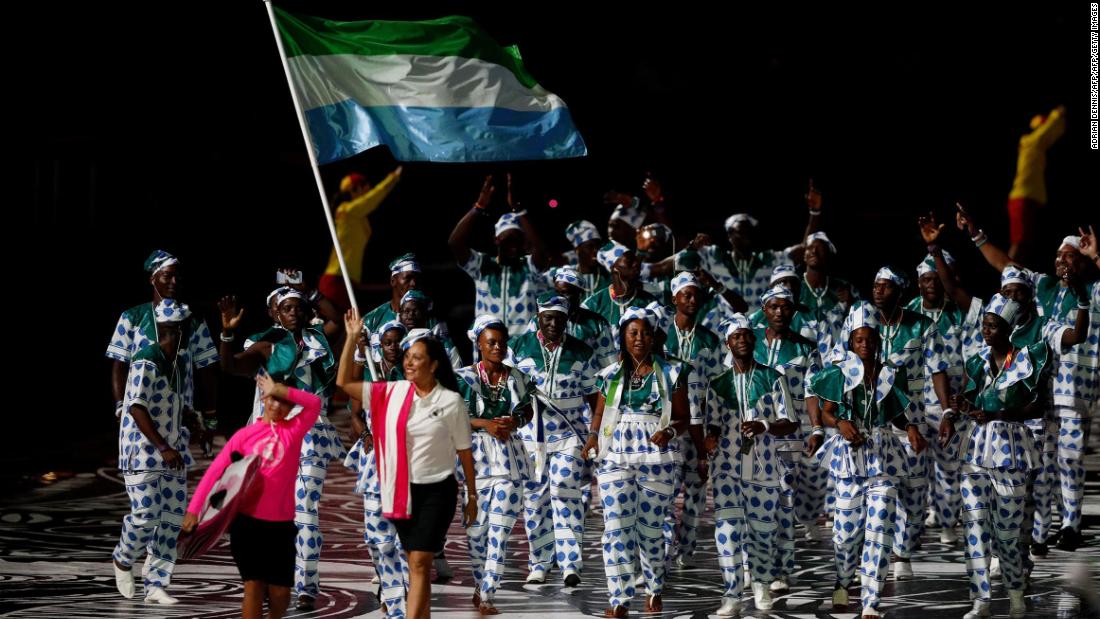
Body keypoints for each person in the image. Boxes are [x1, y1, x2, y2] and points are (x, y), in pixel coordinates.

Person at [336, 312, 478, 619]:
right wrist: (350, 339)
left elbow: (465, 451)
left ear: (434, 364)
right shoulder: (392, 392)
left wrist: (473, 496)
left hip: (438, 491)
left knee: (419, 562)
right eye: (407, 357)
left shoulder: (451, 401)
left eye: (417, 358)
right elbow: (344, 382)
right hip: (402, 489)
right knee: (414, 562)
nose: (409, 362)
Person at [218, 288, 344, 609]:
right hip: (268, 438)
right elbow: (231, 366)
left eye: (298, 307)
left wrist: (311, 292)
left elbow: (335, 319)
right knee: (262, 514)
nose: (293, 312)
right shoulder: (265, 345)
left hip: (309, 432)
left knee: (306, 512)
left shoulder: (317, 340)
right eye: (285, 308)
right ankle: (258, 583)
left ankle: (306, 586)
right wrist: (228, 333)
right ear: (274, 313)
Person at [809, 303, 926, 619]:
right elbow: (826, 412)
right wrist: (839, 423)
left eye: (870, 339)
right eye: (859, 340)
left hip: (883, 457)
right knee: (846, 535)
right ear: (850, 341)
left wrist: (912, 428)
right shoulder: (838, 373)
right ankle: (843, 580)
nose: (865, 345)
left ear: (878, 341)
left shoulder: (889, 373)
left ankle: (871, 600)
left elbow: (898, 412)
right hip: (849, 458)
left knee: (879, 530)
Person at [583, 306, 701, 616]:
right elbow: (599, 412)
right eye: (633, 332)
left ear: (654, 337)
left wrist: (671, 431)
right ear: (622, 336)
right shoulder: (609, 375)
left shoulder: (673, 372)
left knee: (650, 528)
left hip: (656, 453)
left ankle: (653, 588)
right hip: (615, 451)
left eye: (645, 332)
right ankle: (619, 598)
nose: (639, 338)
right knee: (616, 527)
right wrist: (593, 435)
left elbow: (683, 418)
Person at [182, 372, 321, 619]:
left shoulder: (295, 430)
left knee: (280, 595)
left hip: (281, 527)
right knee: (253, 587)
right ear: (263, 398)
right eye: (272, 398)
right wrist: (194, 510)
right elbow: (215, 472)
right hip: (247, 525)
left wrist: (279, 388)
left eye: (283, 401)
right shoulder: (244, 436)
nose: (277, 405)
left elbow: (314, 403)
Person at [953, 294, 1052, 619]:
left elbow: (1038, 406)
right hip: (977, 451)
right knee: (976, 529)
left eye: (993, 326)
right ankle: (980, 601)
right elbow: (965, 401)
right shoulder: (975, 362)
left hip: (1012, 451)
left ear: (1007, 329)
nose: (986, 331)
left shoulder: (1027, 360)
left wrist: (1001, 413)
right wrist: (959, 409)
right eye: (984, 325)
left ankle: (1015, 593)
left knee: (1008, 534)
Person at [705, 314, 797, 615]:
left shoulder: (773, 377)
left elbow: (790, 422)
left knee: (762, 530)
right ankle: (731, 594)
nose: (742, 340)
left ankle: (760, 585)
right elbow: (714, 424)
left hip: (764, 467)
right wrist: (710, 440)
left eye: (746, 335)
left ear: (754, 341)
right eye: (736, 337)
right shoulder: (717, 383)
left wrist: (765, 425)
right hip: (727, 467)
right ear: (728, 343)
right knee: (727, 531)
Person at [508, 294, 601, 586]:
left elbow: (596, 397)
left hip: (568, 436)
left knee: (564, 490)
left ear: (566, 320)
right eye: (548, 317)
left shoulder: (581, 352)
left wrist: (594, 434)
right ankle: (540, 561)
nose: (553, 323)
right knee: (535, 500)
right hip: (530, 439)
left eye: (559, 318)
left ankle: (571, 563)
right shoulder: (518, 347)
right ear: (538, 317)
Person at [112, 299, 196, 605]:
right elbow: (136, 406)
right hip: (143, 450)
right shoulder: (146, 360)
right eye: (174, 329)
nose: (180, 335)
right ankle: (123, 558)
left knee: (172, 519)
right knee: (147, 514)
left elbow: (176, 403)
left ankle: (156, 584)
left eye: (182, 329)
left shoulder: (181, 361)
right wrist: (162, 446)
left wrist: (194, 424)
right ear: (163, 329)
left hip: (174, 448)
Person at [455, 315, 534, 613]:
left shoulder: (517, 378)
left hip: (509, 458)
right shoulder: (464, 378)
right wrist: (485, 423)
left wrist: (516, 420)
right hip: (475, 459)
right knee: (476, 531)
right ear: (479, 344)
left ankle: (488, 591)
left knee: (500, 531)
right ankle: (480, 581)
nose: (498, 346)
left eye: (501, 341)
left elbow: (527, 413)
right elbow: (453, 416)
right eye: (491, 342)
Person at [106, 250, 218, 453]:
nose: (174, 281)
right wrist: (120, 406)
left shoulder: (193, 320)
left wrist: (209, 416)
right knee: (143, 474)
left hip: (178, 416)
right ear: (152, 278)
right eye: (167, 276)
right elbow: (119, 365)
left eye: (177, 277)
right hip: (139, 414)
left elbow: (206, 369)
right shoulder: (132, 317)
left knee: (174, 476)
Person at [449, 174, 551, 336]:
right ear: (497, 240)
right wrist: (479, 207)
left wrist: (519, 210)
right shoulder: (482, 265)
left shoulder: (529, 266)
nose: (513, 246)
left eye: (518, 240)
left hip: (523, 352)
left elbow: (542, 251)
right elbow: (455, 243)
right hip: (489, 349)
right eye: (508, 239)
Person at [318, 167, 402, 309]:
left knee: (346, 327)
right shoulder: (346, 211)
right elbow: (373, 198)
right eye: (364, 186)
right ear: (353, 190)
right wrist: (393, 177)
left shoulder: (358, 217)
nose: (369, 188)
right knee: (340, 326)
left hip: (348, 281)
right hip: (336, 279)